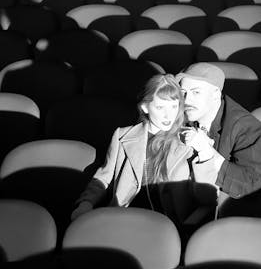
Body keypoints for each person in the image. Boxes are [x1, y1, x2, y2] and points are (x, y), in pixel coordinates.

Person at [71, 73, 214, 223]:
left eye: (174, 106)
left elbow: (207, 196)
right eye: (160, 107)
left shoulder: (189, 140)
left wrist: (205, 153)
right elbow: (104, 177)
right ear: (145, 107)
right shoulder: (122, 136)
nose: (168, 115)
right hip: (125, 217)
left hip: (169, 224)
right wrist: (86, 203)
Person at [176, 62, 261, 200]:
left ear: (215, 94)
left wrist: (209, 154)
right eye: (183, 92)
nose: (187, 100)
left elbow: (252, 184)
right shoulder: (178, 113)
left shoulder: (246, 127)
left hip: (224, 210)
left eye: (196, 92)